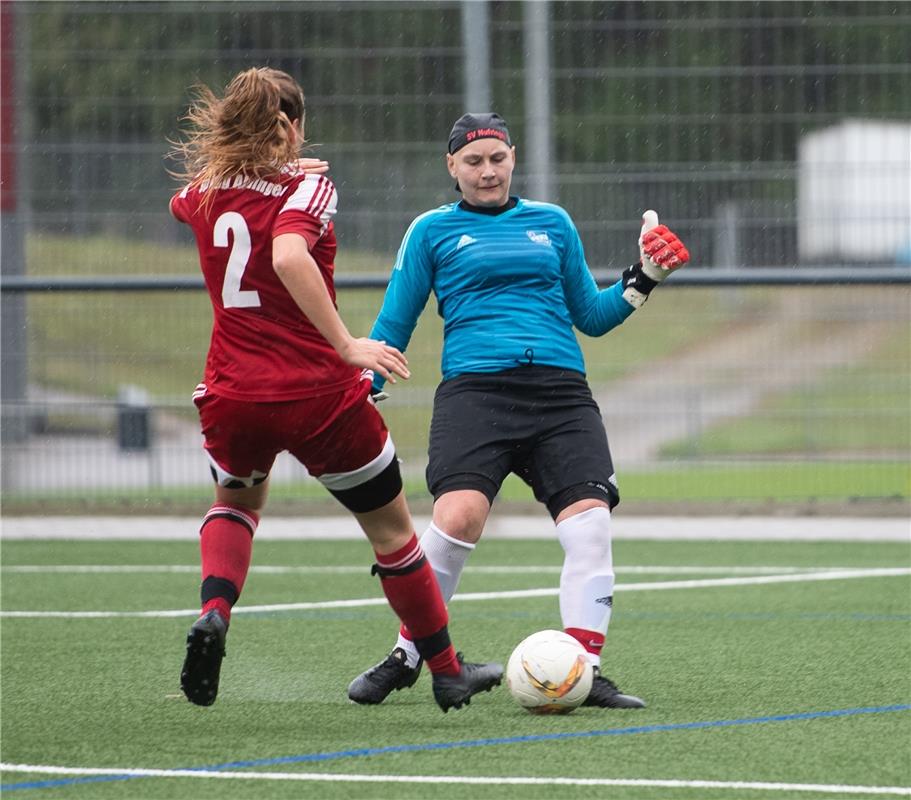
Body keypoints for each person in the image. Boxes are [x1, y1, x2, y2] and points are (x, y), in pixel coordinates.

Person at [168, 70, 502, 711]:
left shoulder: (205, 192)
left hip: (236, 393)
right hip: (319, 394)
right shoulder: (309, 185)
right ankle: (447, 669)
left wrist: (255, 166)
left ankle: (214, 611)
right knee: (392, 534)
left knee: (236, 501)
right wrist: (349, 345)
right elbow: (290, 253)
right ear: (292, 126)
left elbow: (186, 198)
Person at [347, 112, 689, 709]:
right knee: (456, 519)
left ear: (513, 160)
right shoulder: (430, 230)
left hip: (560, 396)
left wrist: (646, 275)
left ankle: (585, 671)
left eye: (497, 159)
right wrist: (366, 379)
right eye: (473, 161)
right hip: (475, 396)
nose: (487, 171)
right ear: (451, 167)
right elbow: (393, 323)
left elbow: (593, 317)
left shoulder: (552, 223)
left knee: (591, 525)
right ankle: (408, 655)